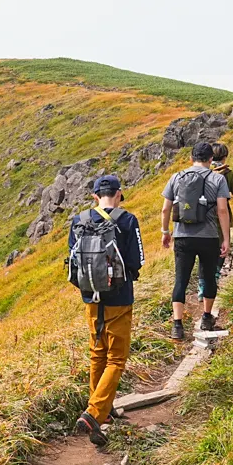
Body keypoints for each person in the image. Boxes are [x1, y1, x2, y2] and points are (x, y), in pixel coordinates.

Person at [68, 174, 144, 445]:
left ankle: (102, 409)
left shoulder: (80, 220)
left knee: (97, 354)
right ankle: (94, 413)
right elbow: (137, 262)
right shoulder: (128, 220)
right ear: (120, 194)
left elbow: (72, 263)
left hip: (91, 298)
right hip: (120, 298)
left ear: (95, 196)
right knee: (116, 359)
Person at [161, 142, 232, 340]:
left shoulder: (176, 177)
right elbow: (222, 210)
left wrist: (165, 231)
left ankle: (177, 325)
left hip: (182, 236)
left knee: (181, 279)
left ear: (191, 158)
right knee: (208, 277)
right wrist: (225, 238)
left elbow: (166, 209)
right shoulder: (217, 179)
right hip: (209, 236)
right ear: (211, 159)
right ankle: (207, 317)